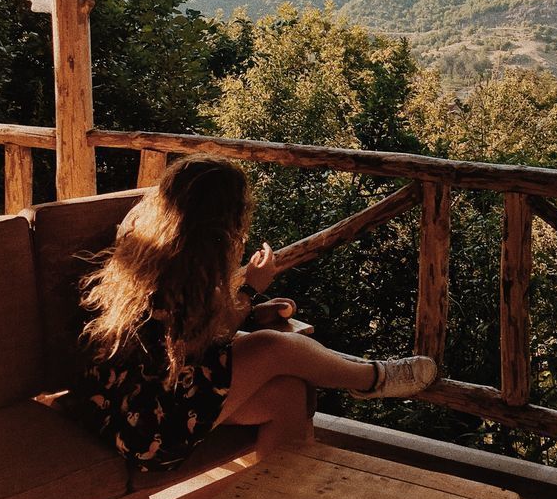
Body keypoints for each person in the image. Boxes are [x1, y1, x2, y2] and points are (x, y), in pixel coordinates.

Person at [71, 155, 437, 469]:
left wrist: (251, 307)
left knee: (288, 393)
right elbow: (202, 346)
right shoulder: (178, 270)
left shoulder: (153, 247)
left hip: (125, 409)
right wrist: (249, 290)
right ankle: (372, 379)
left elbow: (189, 348)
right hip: (145, 428)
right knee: (273, 348)